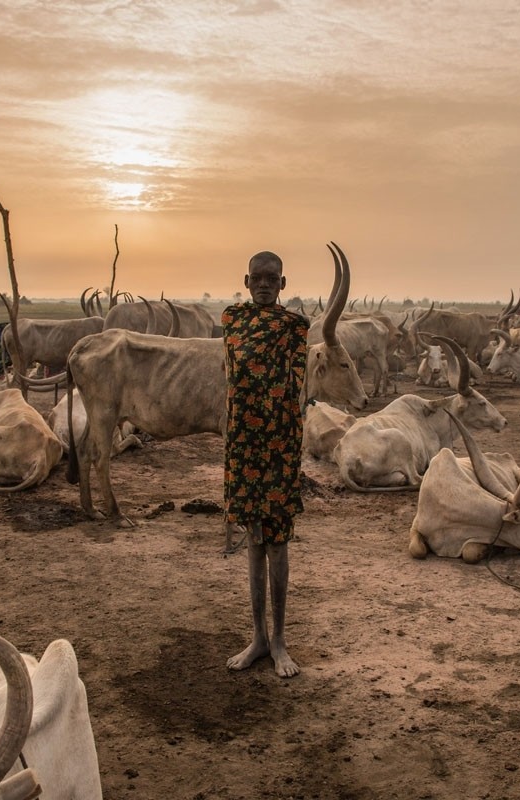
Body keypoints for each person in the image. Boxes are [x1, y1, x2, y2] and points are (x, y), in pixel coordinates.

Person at [222, 251, 310, 678]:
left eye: (271, 279)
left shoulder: (295, 327)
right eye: (257, 278)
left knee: (278, 543)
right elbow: (232, 379)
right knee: (254, 541)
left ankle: (279, 641)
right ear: (246, 279)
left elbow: (296, 388)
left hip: (279, 446)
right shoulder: (231, 321)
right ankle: (257, 637)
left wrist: (292, 451)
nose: (263, 284)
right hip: (242, 446)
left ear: (282, 282)